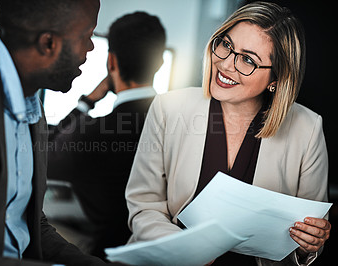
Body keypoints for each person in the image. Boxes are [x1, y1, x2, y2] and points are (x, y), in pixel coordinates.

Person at [125, 2, 331, 266]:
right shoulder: (169, 107)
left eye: (247, 59)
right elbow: (143, 206)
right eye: (226, 45)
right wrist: (184, 247)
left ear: (276, 80)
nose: (225, 64)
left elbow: (310, 233)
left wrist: (309, 245)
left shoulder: (307, 128)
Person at [0, 0, 123, 265]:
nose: (91, 47)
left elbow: (30, 225)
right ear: (48, 43)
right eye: (87, 35)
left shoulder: (31, 105)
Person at [47, 11, 166, 259]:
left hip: (103, 256)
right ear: (159, 63)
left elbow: (45, 152)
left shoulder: (93, 132)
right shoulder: (175, 124)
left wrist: (87, 101)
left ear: (111, 61)